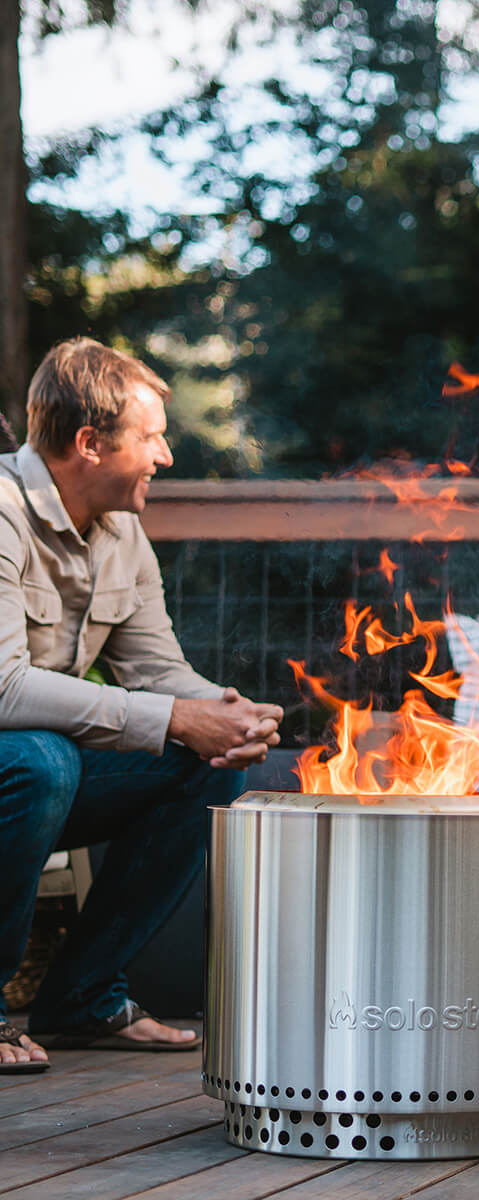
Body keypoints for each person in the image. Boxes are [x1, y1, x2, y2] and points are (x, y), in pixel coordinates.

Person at [0, 338, 283, 1074]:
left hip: (41, 769)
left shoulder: (122, 529)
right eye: (152, 437)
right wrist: (173, 717)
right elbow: (4, 688)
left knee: (207, 765)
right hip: (23, 764)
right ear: (90, 444)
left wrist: (223, 710)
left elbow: (156, 668)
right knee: (41, 759)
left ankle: (84, 999)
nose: (164, 457)